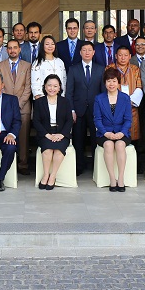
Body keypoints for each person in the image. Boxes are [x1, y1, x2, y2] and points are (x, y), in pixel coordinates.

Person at [66, 41, 105, 175]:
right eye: (84, 50)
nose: (87, 52)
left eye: (89, 50)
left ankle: (96, 166)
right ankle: (79, 166)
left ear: (94, 52)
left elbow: (103, 92)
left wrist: (101, 111)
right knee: (78, 139)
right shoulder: (73, 69)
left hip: (95, 110)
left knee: (95, 138)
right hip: (78, 110)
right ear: (80, 52)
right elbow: (69, 92)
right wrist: (71, 110)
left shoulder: (101, 69)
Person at [0, 39, 33, 174]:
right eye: (10, 48)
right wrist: (9, 105)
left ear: (19, 49)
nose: (12, 50)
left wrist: (17, 105)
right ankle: (8, 165)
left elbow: (28, 88)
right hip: (4, 108)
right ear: (7, 50)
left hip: (23, 108)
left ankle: (23, 164)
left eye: (15, 47)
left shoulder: (27, 66)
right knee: (6, 136)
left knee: (23, 138)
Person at [94, 67, 133, 191]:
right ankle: (112, 178)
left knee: (120, 145)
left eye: (114, 81)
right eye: (108, 81)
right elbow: (97, 120)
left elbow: (128, 120)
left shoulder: (125, 98)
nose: (111, 84)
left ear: (118, 82)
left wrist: (122, 133)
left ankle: (120, 179)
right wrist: (106, 133)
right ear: (105, 83)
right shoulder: (99, 98)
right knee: (109, 145)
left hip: (122, 132)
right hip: (104, 133)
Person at [32, 74, 73, 190]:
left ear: (59, 88)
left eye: (55, 86)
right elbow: (36, 121)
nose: (52, 88)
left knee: (59, 150)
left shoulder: (65, 101)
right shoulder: (39, 102)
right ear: (45, 87)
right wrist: (47, 135)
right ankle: (46, 175)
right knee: (48, 150)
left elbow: (69, 120)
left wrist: (62, 134)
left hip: (61, 133)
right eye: (49, 85)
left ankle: (52, 176)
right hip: (45, 133)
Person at [106, 46, 144, 145]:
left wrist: (128, 102)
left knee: (132, 133)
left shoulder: (135, 69)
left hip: (131, 105)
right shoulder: (109, 68)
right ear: (116, 56)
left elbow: (139, 87)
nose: (123, 58)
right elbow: (108, 86)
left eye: (125, 55)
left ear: (130, 56)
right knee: (116, 134)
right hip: (115, 105)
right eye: (120, 55)